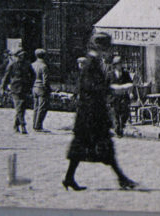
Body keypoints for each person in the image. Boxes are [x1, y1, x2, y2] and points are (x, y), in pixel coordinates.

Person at [63, 32, 136, 191]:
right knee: (97, 146)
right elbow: (90, 87)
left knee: (87, 146)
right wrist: (113, 89)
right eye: (107, 47)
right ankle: (121, 178)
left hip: (91, 113)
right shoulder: (91, 63)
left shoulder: (94, 61)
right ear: (101, 47)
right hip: (91, 114)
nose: (108, 51)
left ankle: (69, 178)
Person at [0, 49, 34, 134]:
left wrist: (30, 83)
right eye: (20, 56)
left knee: (22, 107)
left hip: (25, 88)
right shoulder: (12, 65)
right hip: (15, 88)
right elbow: (6, 76)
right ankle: (23, 126)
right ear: (17, 56)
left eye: (23, 56)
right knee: (19, 107)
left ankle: (16, 125)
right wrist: (2, 87)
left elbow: (33, 75)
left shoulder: (27, 65)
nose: (22, 58)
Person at [108, 56, 133, 137]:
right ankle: (117, 129)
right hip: (114, 97)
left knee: (125, 113)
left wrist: (130, 92)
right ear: (115, 65)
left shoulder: (126, 74)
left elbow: (130, 83)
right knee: (115, 114)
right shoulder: (110, 74)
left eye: (121, 64)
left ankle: (122, 126)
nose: (120, 66)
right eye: (118, 64)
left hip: (123, 96)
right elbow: (106, 86)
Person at [31, 49, 51, 132]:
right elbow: (45, 80)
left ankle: (34, 124)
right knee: (42, 107)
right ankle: (38, 126)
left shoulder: (32, 65)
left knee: (36, 107)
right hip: (41, 88)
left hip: (34, 87)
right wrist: (47, 88)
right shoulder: (44, 66)